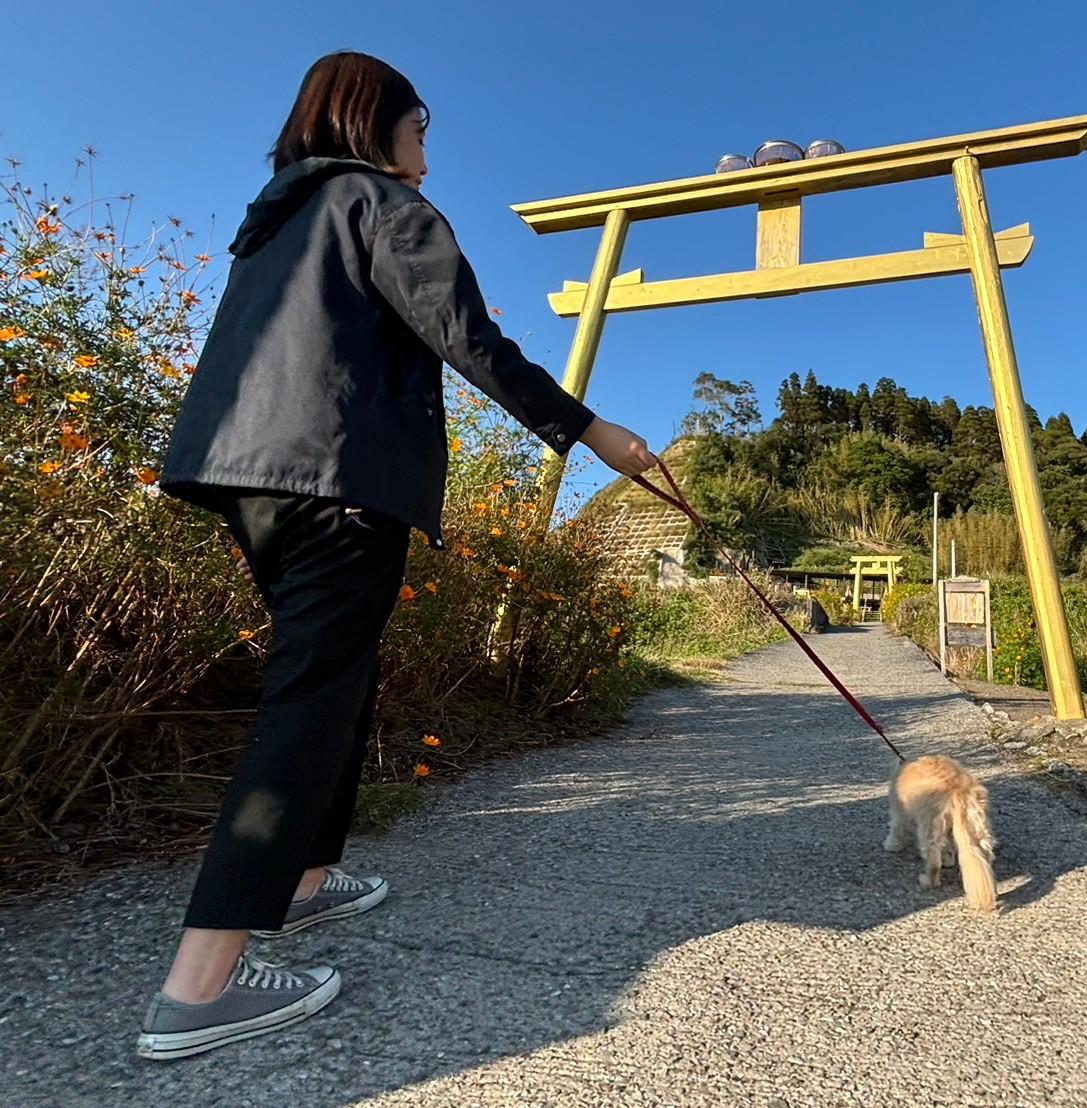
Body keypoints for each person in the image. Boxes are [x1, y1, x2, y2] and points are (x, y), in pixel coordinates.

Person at [139, 50, 656, 1060]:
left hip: (250, 476)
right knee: (310, 697)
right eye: (419, 131)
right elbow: (471, 340)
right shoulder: (380, 202)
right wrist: (593, 432)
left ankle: (305, 878)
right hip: (338, 477)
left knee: (337, 674)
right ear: (375, 123)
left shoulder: (276, 221)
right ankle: (200, 985)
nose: (424, 159)